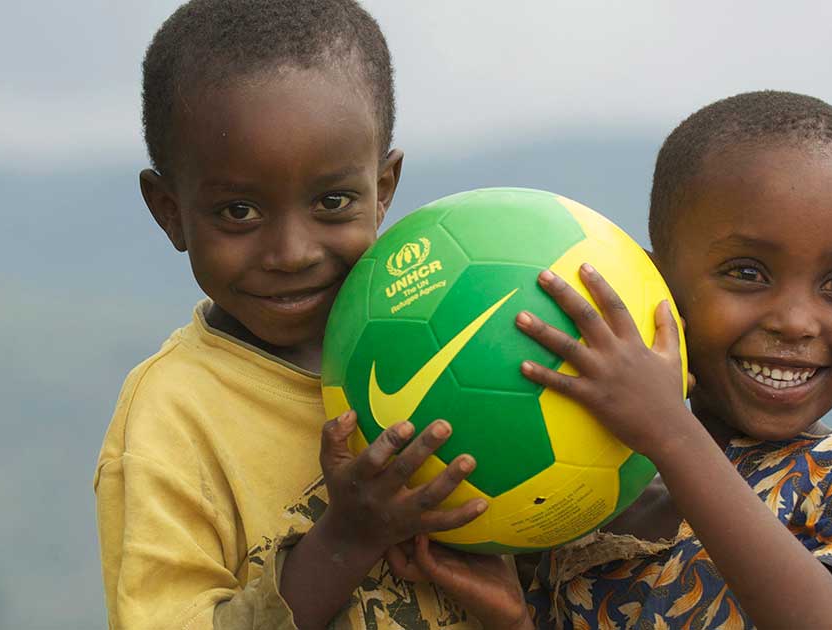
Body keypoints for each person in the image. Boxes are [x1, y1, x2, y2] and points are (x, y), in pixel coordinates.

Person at [392, 91, 832, 629]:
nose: (795, 321)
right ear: (655, 285)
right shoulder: (573, 498)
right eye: (747, 273)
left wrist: (670, 432)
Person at [93, 1, 525, 628]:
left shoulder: (460, 350)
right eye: (239, 211)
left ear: (383, 191)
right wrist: (346, 538)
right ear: (169, 211)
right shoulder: (172, 416)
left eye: (331, 201)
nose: (291, 253)